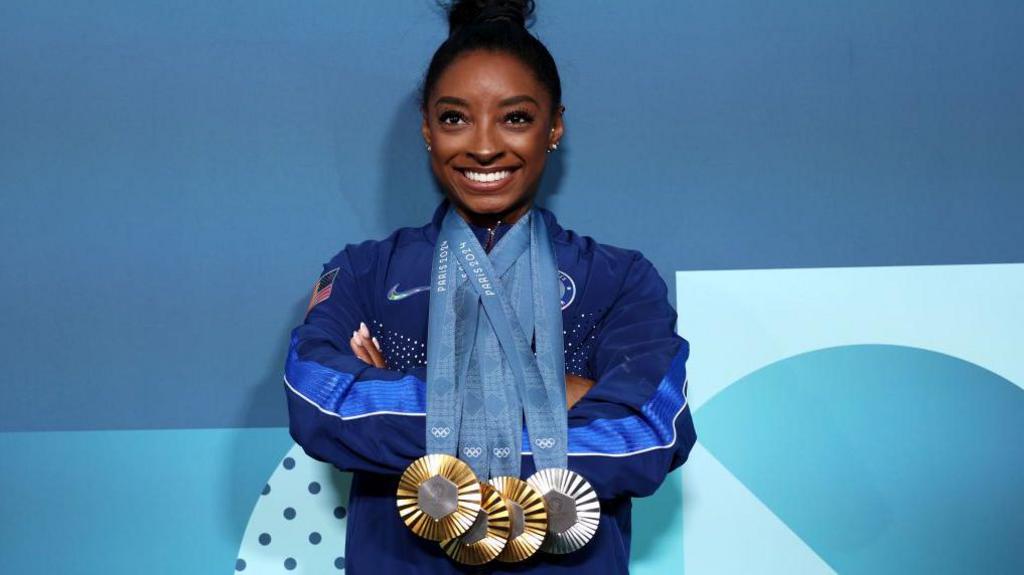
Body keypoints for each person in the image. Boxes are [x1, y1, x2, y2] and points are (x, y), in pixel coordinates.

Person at [284, 1, 696, 572]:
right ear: (427, 127)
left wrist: (397, 391)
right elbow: (317, 402)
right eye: (455, 118)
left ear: (554, 126)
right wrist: (562, 393)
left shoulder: (619, 278)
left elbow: (646, 434)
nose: (482, 146)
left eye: (516, 118)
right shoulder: (365, 271)